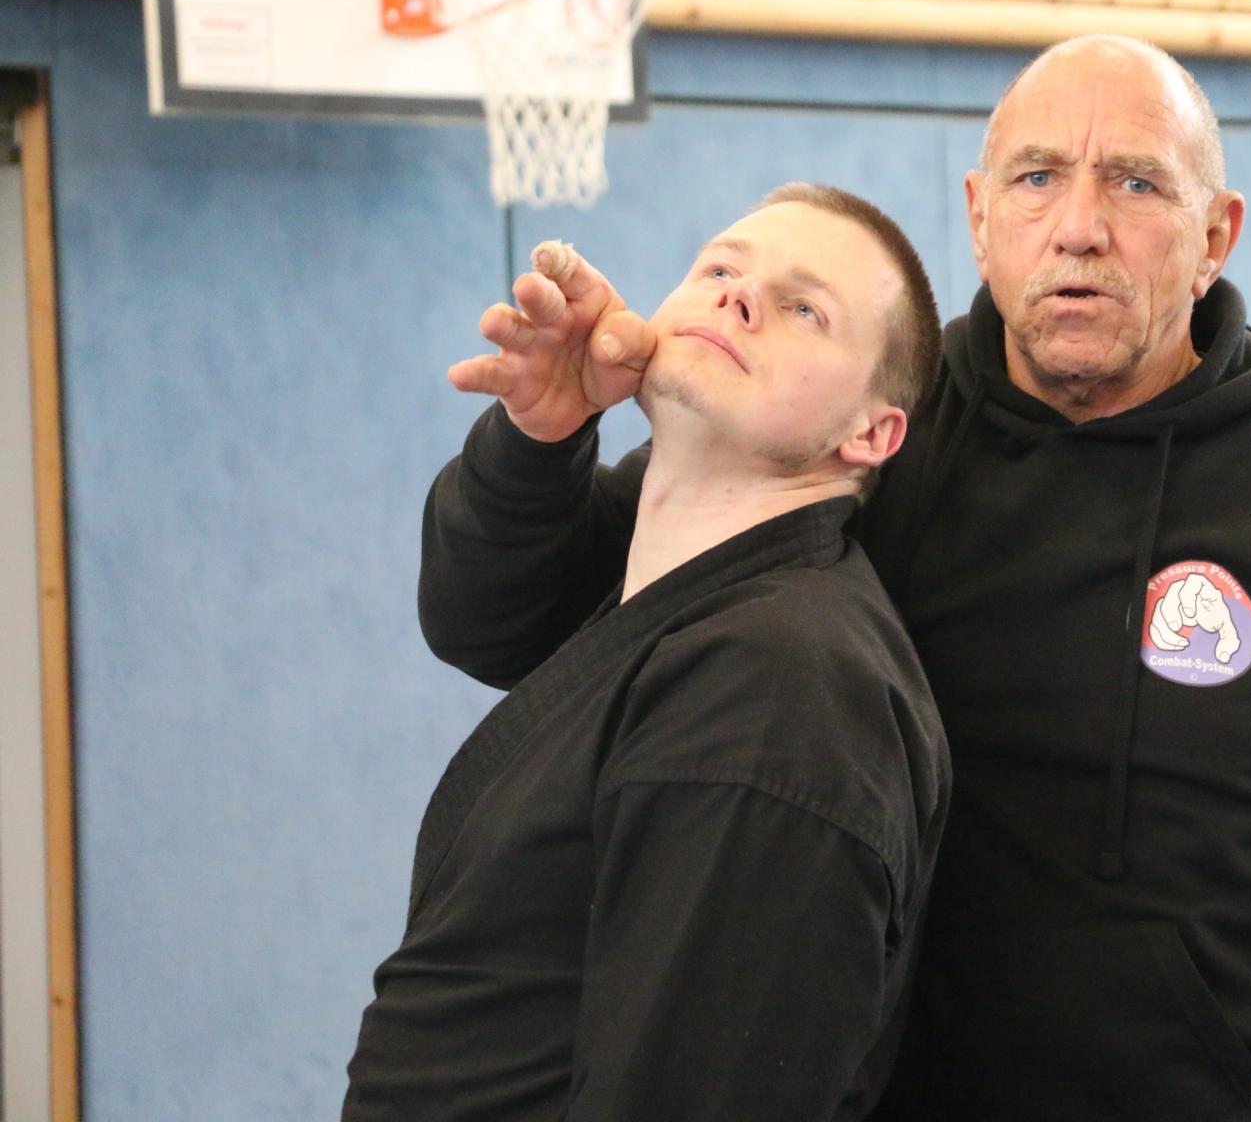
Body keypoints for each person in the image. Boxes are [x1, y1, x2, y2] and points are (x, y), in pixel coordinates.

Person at [416, 36, 1251, 1121]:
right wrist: (538, 443)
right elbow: (498, 625)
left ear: (1217, 235)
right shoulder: (855, 437)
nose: (1079, 228)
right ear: (977, 216)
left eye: (1136, 185)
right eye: (1037, 179)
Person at [343, 184, 951, 1121]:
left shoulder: (781, 687)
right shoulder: (679, 589)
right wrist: (539, 436)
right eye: (720, 268)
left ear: (871, 433)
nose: (737, 297)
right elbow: (479, 622)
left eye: (803, 309)